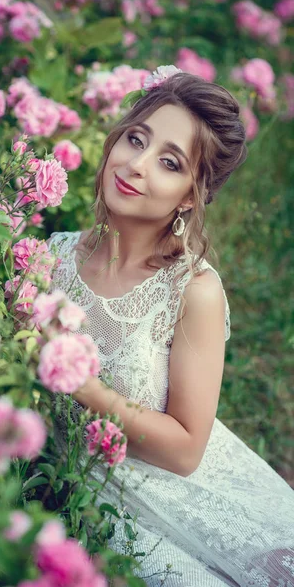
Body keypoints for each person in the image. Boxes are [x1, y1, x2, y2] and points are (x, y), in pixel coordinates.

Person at [48, 67, 294, 586]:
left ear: (190, 196)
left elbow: (185, 452)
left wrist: (85, 388)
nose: (135, 166)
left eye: (168, 162)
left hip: (180, 500)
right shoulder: (50, 258)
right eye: (135, 139)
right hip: (70, 490)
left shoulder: (193, 291)